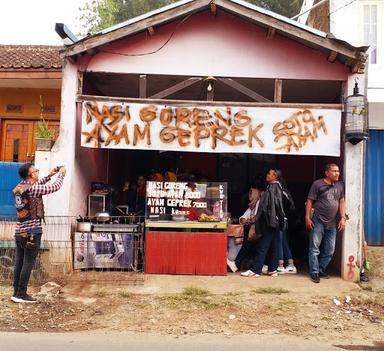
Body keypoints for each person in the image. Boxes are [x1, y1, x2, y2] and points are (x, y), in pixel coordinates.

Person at [12, 163, 66, 303]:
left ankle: (16, 293)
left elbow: (36, 185)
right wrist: (62, 175)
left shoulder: (20, 186)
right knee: (28, 263)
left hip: (19, 231)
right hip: (32, 232)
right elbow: (55, 187)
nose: (38, 172)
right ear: (31, 174)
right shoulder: (34, 188)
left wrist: (50, 175)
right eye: (36, 171)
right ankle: (21, 294)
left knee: (19, 262)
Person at [305, 163, 346, 283]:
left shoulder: (340, 185)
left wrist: (343, 218)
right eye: (334, 171)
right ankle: (314, 272)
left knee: (330, 249)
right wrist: (307, 218)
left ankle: (320, 268)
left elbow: (342, 201)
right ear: (327, 173)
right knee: (314, 248)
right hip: (317, 220)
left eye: (338, 171)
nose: (337, 173)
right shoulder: (317, 184)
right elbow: (309, 201)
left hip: (332, 222)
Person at [241, 169, 285, 278]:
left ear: (275, 176)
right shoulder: (277, 187)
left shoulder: (272, 188)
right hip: (275, 222)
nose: (267, 175)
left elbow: (268, 208)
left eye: (269, 174)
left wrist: (260, 219)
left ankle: (255, 270)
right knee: (274, 246)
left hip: (269, 222)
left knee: (262, 246)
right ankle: (272, 269)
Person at [226, 185, 262, 273]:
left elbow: (256, 217)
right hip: (254, 230)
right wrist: (243, 219)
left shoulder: (260, 203)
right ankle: (237, 264)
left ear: (258, 194)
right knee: (248, 245)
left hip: (260, 230)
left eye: (252, 192)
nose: (249, 194)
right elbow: (244, 216)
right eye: (249, 192)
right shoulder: (252, 205)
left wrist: (248, 220)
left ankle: (237, 264)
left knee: (253, 246)